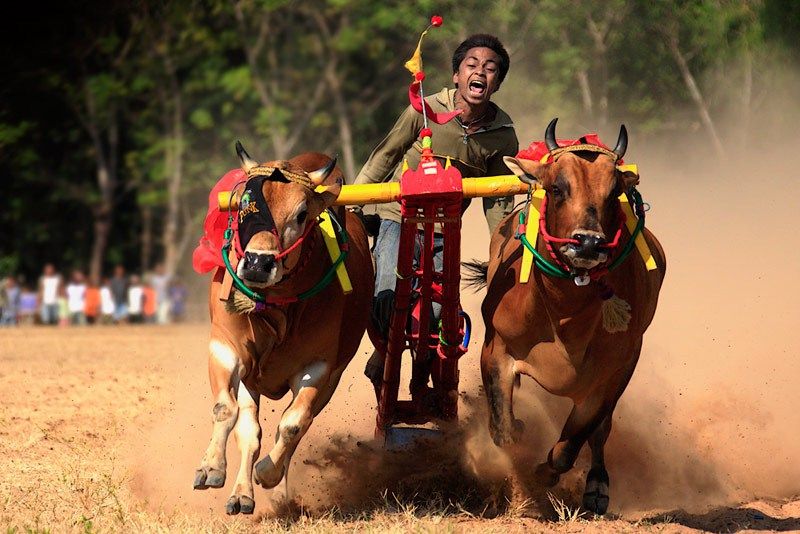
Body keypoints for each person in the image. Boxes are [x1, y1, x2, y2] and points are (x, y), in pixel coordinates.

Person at [352, 34, 519, 398]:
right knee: (386, 293)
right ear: (456, 75)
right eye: (471, 66)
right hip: (396, 216)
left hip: (445, 227)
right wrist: (352, 205)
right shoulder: (423, 110)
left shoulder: (503, 136)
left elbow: (499, 200)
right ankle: (383, 355)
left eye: (490, 69)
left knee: (442, 311)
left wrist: (505, 247)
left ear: (497, 83)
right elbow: (385, 155)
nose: (480, 73)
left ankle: (423, 378)